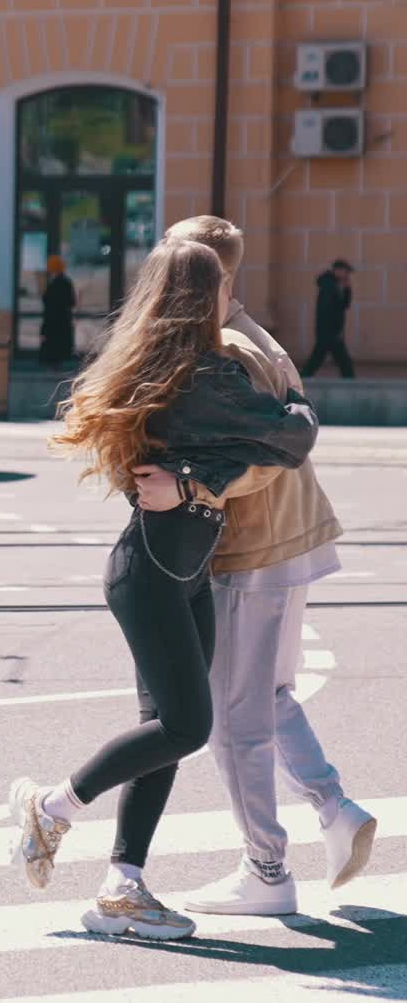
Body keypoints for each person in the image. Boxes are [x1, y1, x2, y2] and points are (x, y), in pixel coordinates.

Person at [9, 239, 319, 940]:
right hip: (155, 577)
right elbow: (296, 437)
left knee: (167, 732)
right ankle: (52, 808)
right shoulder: (208, 379)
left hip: (172, 572)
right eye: (221, 290)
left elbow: (211, 453)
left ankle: (123, 887)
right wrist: (291, 386)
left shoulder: (157, 370)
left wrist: (193, 478)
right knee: (187, 726)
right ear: (207, 298)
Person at [133, 217, 374, 916]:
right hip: (288, 541)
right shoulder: (252, 336)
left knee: (233, 718)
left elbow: (262, 461)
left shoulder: (228, 350)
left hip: (254, 547)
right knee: (266, 695)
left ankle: (266, 870)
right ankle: (334, 811)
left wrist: (191, 488)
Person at [301, 259, 355, 379]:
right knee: (341, 360)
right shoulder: (328, 286)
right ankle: (351, 383)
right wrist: (335, 330)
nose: (347, 275)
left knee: (319, 358)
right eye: (346, 272)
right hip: (329, 331)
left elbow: (344, 305)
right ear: (338, 271)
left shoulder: (333, 285)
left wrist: (347, 289)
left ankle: (303, 378)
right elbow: (330, 311)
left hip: (329, 331)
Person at [38, 255, 76, 369]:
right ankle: (57, 367)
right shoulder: (67, 282)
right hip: (63, 321)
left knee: (52, 350)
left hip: (53, 322)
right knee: (59, 349)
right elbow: (72, 301)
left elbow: (48, 302)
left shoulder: (54, 284)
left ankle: (54, 368)